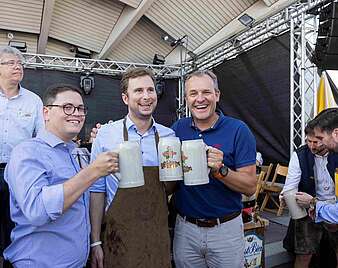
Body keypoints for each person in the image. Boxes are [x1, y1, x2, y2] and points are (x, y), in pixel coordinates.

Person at [3, 84, 118, 267]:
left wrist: (94, 243)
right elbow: (37, 210)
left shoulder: (77, 154)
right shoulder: (27, 152)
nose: (77, 113)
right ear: (46, 113)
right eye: (67, 107)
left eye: (81, 108)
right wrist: (93, 171)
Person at [89, 68, 175, 268]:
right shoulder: (106, 135)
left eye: (150, 90)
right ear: (125, 98)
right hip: (118, 235)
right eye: (138, 91)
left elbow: (172, 187)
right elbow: (97, 190)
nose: (146, 96)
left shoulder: (169, 136)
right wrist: (95, 241)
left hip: (157, 234)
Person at [172, 70, 257, 267]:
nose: (200, 99)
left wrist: (221, 170)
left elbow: (250, 187)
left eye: (206, 92)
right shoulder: (177, 128)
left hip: (225, 230)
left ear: (217, 95)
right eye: (193, 93)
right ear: (186, 98)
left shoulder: (238, 130)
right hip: (186, 230)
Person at [0, 46, 44, 266]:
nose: (17, 67)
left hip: (19, 173)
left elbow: (42, 138)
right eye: (11, 63)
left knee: (15, 223)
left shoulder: (33, 101)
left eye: (20, 64)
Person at [280, 120, 338, 268]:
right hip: (308, 209)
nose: (312, 146)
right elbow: (290, 186)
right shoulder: (300, 155)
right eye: (309, 141)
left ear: (326, 137)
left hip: (335, 208)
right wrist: (285, 196)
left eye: (317, 142)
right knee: (304, 255)